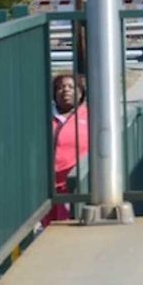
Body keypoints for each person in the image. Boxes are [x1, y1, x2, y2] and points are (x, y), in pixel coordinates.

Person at [45, 73, 89, 225]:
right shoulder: (44, 117)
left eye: (71, 87)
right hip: (48, 189)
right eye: (60, 87)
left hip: (76, 187)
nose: (66, 90)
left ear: (81, 92)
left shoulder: (90, 116)